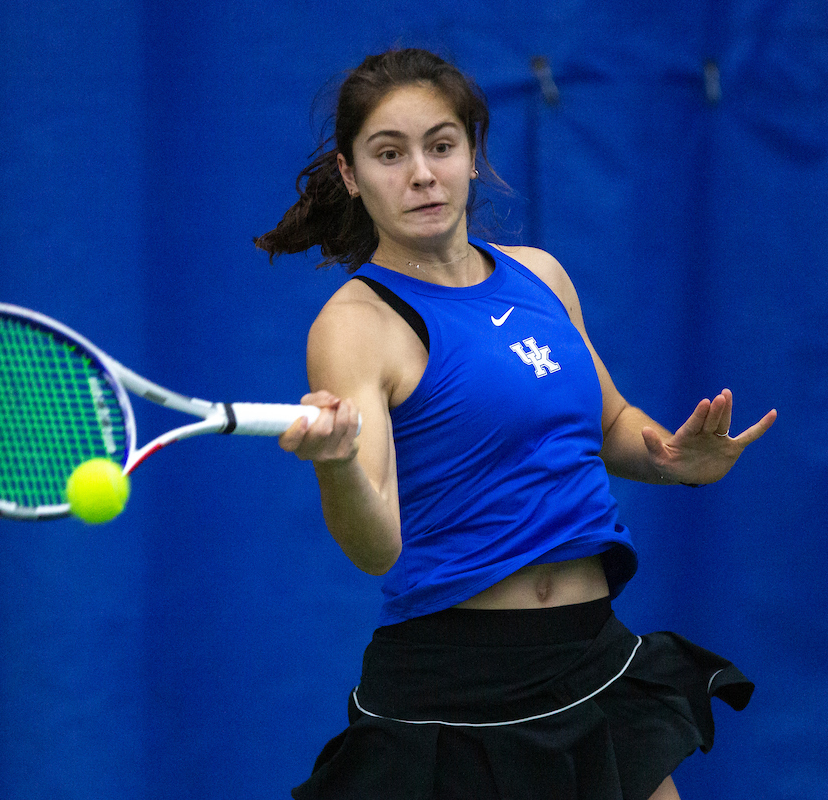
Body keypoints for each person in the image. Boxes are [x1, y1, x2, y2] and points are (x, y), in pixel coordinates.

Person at [255, 48, 777, 800]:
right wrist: (337, 464)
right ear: (351, 174)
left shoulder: (542, 275)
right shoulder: (355, 326)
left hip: (591, 655)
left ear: (472, 153)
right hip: (457, 692)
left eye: (440, 145)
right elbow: (375, 546)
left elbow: (610, 423)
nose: (422, 174)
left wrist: (672, 457)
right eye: (389, 154)